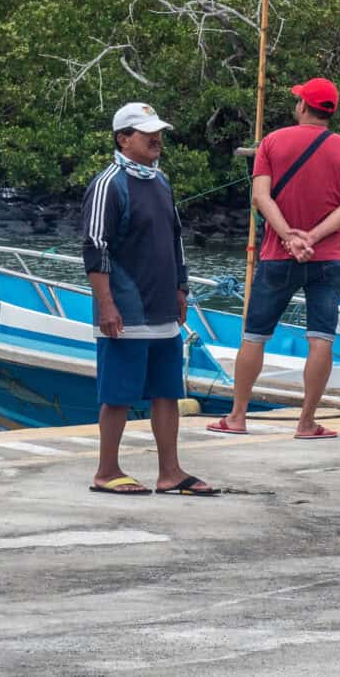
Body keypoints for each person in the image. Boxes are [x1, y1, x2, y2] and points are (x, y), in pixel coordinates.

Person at [208, 77, 340, 439]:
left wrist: (289, 236)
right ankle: (307, 422)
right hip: (327, 257)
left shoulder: (273, 142)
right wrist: (313, 236)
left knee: (254, 336)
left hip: (278, 255)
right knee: (321, 338)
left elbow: (262, 197)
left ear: (303, 106)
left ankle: (237, 417)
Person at [82, 102, 218, 496]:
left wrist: (181, 288)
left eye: (157, 132)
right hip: (125, 308)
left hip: (162, 307)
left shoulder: (161, 181)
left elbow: (175, 240)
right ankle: (106, 470)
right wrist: (106, 304)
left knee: (167, 391)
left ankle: (170, 471)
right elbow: (95, 248)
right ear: (124, 139)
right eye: (146, 133)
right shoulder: (109, 183)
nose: (156, 139)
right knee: (118, 393)